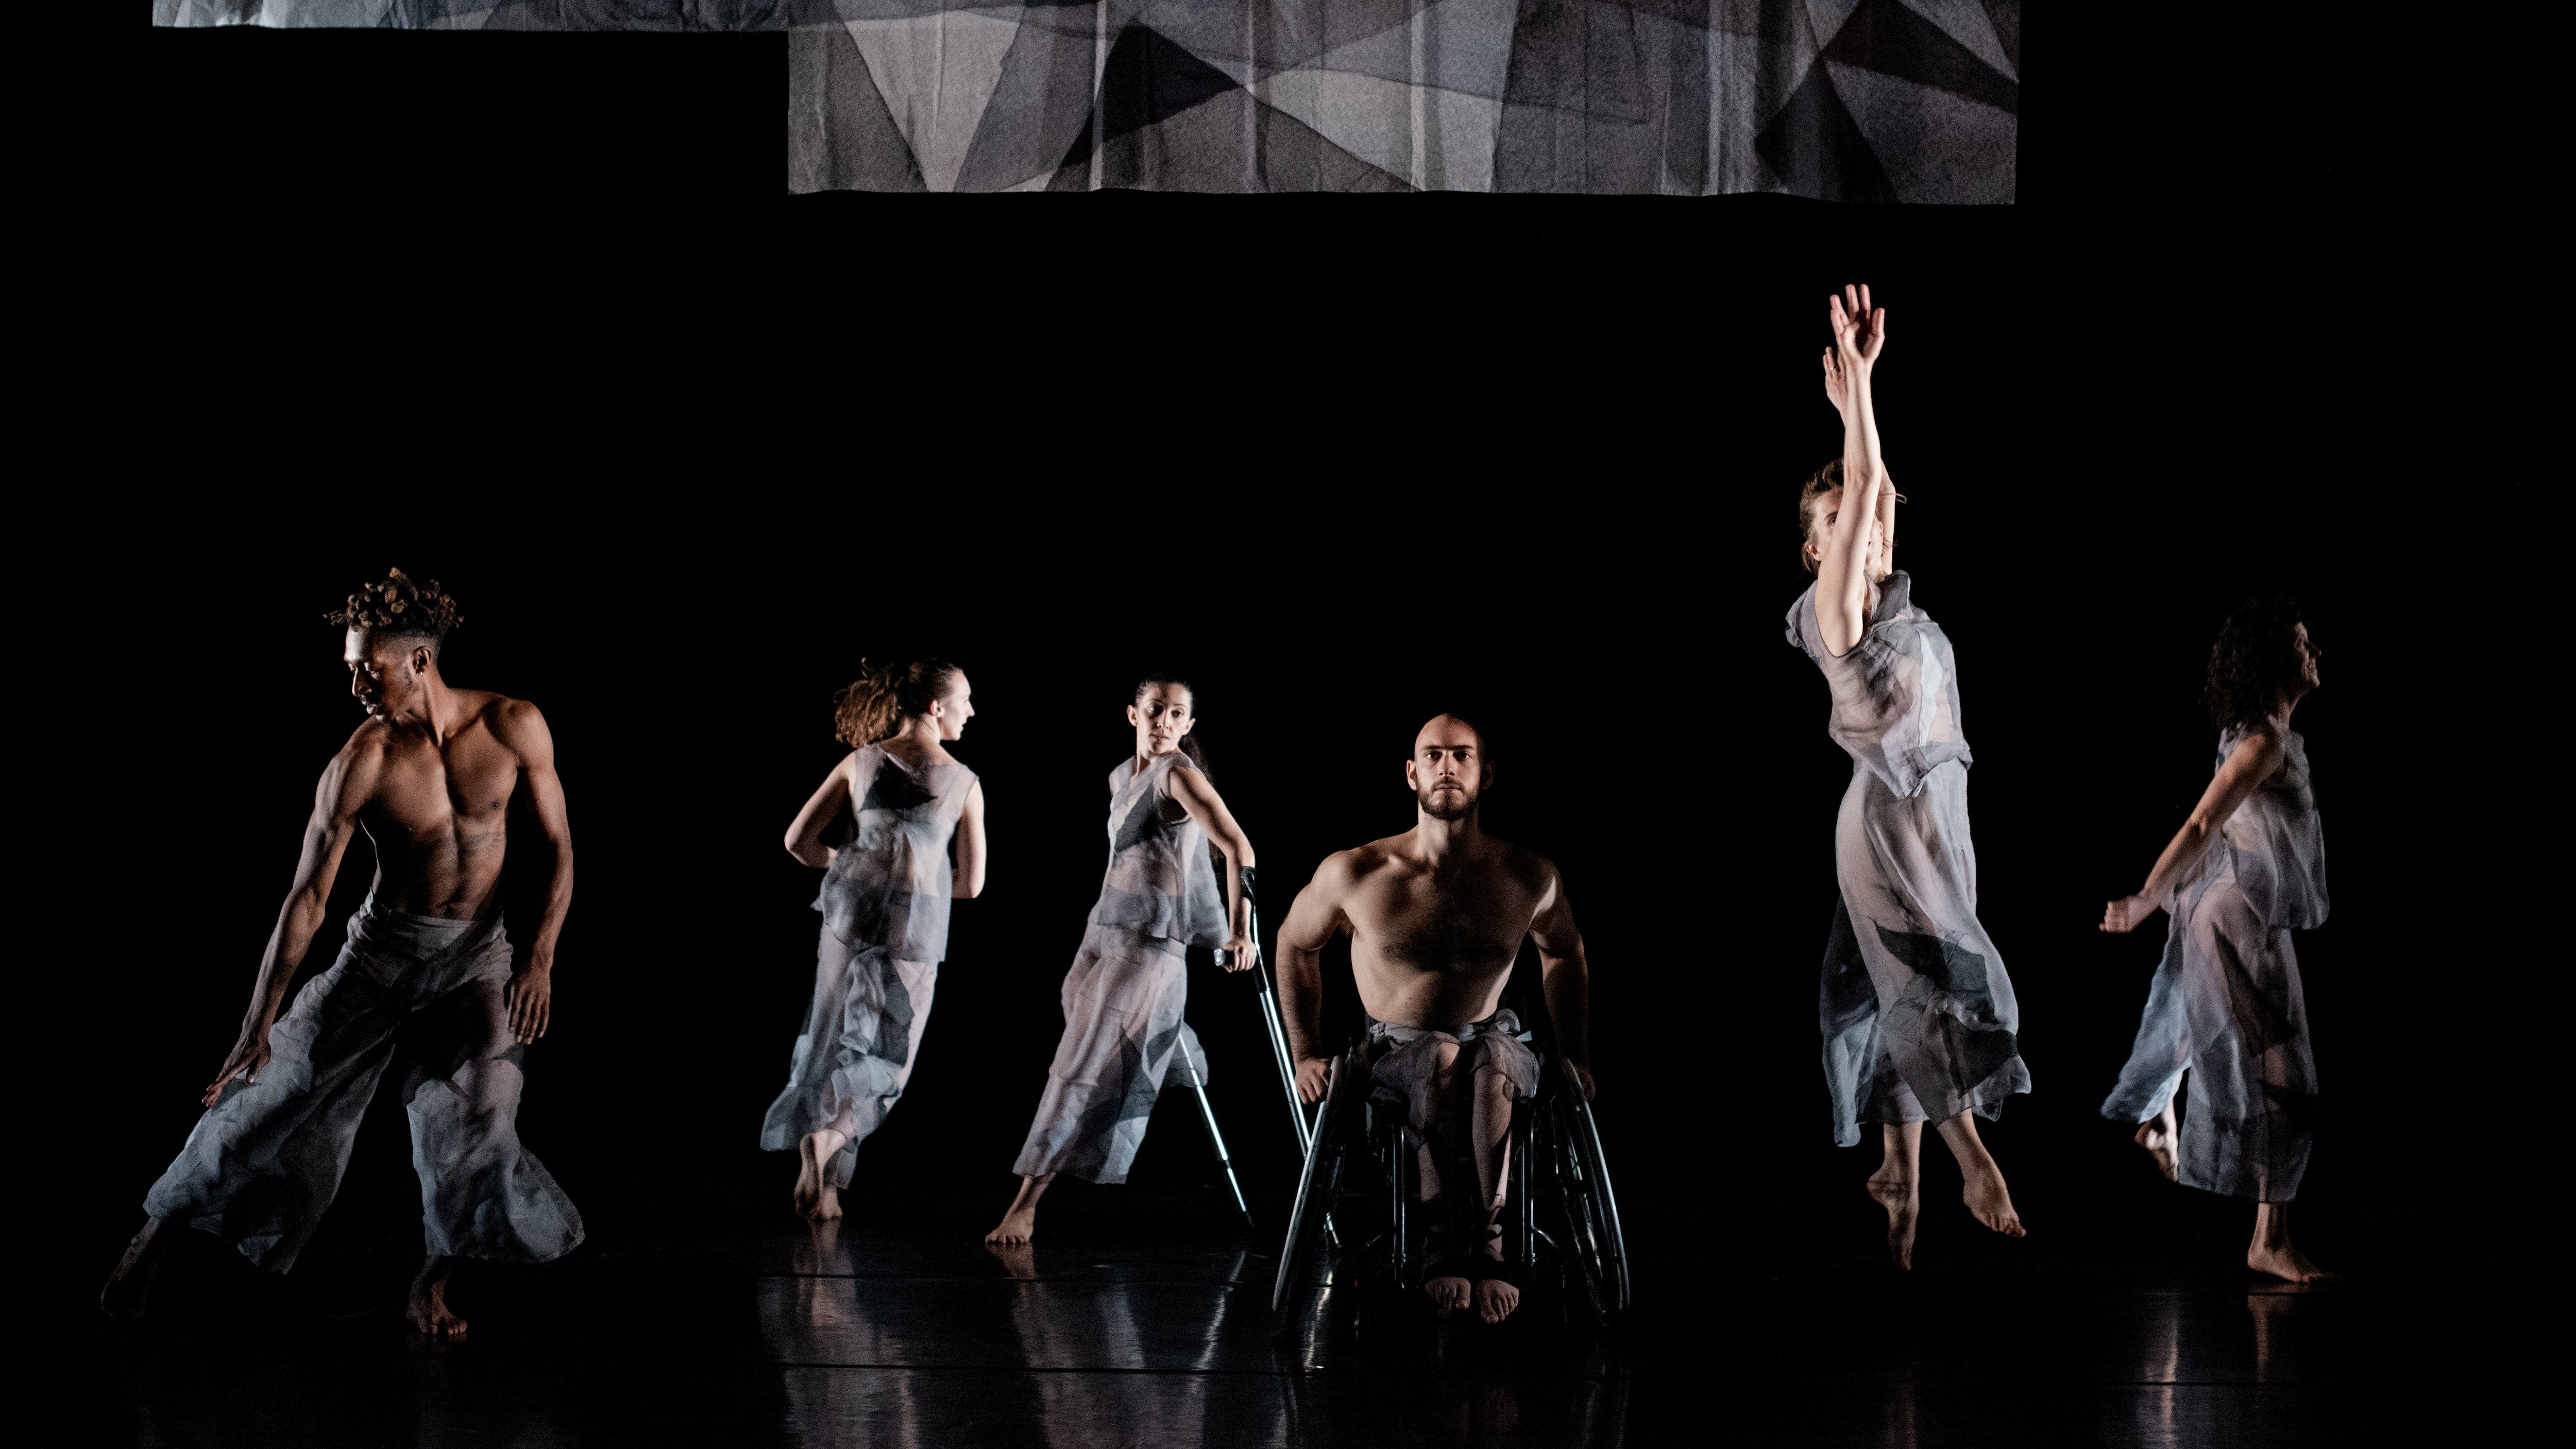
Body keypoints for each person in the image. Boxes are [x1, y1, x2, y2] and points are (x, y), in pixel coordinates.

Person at [98, 569, 582, 1336]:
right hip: (380, 957)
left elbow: (560, 851)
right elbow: (308, 899)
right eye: (351, 668)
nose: (357, 683)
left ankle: (430, 1285)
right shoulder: (362, 761)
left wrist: (541, 958)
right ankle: (153, 1235)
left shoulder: (515, 726)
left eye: (370, 668)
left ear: (419, 662)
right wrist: (260, 1021)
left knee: (487, 1120)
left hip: (475, 961)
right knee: (270, 1100)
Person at [1792, 285, 2029, 1269]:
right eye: (1838, 521)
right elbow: (1864, 483)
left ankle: (1902, 1178)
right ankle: (1971, 1157)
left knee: (1895, 988)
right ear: (1815, 546)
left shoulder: (1894, 602)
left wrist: (1870, 395)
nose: (1863, 522)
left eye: (1867, 517)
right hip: (1885, 829)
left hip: (1942, 821)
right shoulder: (1835, 615)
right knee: (1933, 985)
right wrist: (1854, 410)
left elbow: (1879, 486)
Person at [1275, 714, 1595, 1326]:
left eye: (1462, 755)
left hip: (1493, 1038)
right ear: (1411, 772)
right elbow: (1293, 943)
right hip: (1396, 1049)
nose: (1446, 766)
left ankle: (1490, 1244)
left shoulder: (1526, 874)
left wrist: (1576, 1054)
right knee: (1438, 1055)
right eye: (1433, 755)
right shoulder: (1359, 870)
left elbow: (1564, 951)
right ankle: (1439, 1238)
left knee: (1492, 1056)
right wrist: (1305, 1051)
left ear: (1486, 773)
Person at [2100, 601, 2332, 1283]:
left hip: (2235, 910)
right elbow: (2203, 822)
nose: (2314, 649)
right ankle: (2269, 1239)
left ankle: (2156, 1118)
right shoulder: (2262, 742)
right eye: (2300, 643)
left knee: (2215, 1038)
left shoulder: (2265, 734)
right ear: (2272, 663)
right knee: (2286, 1079)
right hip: (2235, 917)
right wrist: (2145, 898)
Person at [986, 676, 1256, 1245]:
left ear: (1186, 725)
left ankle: (1025, 1204)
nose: (1163, 720)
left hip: (1151, 941)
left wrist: (1240, 932)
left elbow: (1237, 845)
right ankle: (1170, 1038)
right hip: (1103, 927)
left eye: (1176, 713)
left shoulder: (1179, 774)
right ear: (1132, 713)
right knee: (1080, 1026)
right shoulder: (1118, 776)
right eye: (1154, 709)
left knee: (1078, 1063)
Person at [764, 660, 987, 1221]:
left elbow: (797, 841)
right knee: (886, 1054)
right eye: (964, 699)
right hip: (912, 928)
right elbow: (971, 885)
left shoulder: (860, 760)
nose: (971, 709)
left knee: (833, 1036)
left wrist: (857, 866)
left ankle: (830, 1187)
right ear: (936, 707)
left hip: (848, 917)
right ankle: (830, 1139)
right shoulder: (963, 781)